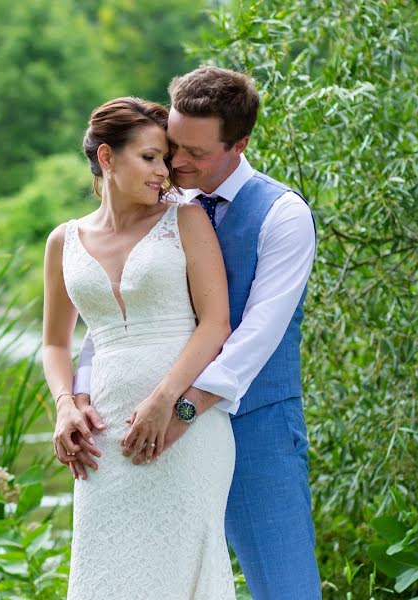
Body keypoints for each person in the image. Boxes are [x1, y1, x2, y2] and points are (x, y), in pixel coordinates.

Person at [67, 66, 321, 599]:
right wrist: (79, 392)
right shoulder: (161, 206)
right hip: (151, 429)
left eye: (196, 154)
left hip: (254, 428)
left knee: (284, 588)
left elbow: (255, 335)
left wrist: (183, 406)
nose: (177, 163)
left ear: (239, 144)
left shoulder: (283, 215)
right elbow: (117, 317)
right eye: (172, 146)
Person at [42, 97, 237, 598]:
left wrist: (165, 399)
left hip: (183, 428)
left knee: (182, 570)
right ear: (107, 158)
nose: (165, 172)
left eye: (166, 160)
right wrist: (65, 406)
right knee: (105, 574)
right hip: (104, 435)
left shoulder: (187, 220)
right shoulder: (63, 241)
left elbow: (215, 325)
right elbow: (55, 344)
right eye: (150, 157)